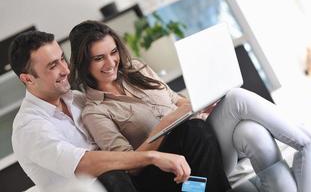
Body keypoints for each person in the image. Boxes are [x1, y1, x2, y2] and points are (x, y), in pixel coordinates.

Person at [69, 20, 311, 192]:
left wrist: (199, 104)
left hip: (203, 144)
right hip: (181, 174)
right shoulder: (95, 110)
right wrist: (169, 122)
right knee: (235, 99)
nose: (111, 62)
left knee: (250, 132)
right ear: (83, 63)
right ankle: (308, 143)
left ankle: (307, 146)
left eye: (113, 52)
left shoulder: (137, 69)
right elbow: (130, 164)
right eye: (99, 58)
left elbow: (178, 101)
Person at [9, 30, 194, 192]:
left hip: (127, 183)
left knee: (193, 133)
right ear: (28, 79)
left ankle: (199, 189)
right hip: (97, 186)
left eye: (62, 59)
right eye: (52, 66)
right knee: (110, 174)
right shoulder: (29, 128)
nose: (65, 69)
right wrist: (153, 156)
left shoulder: (77, 98)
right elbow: (84, 165)